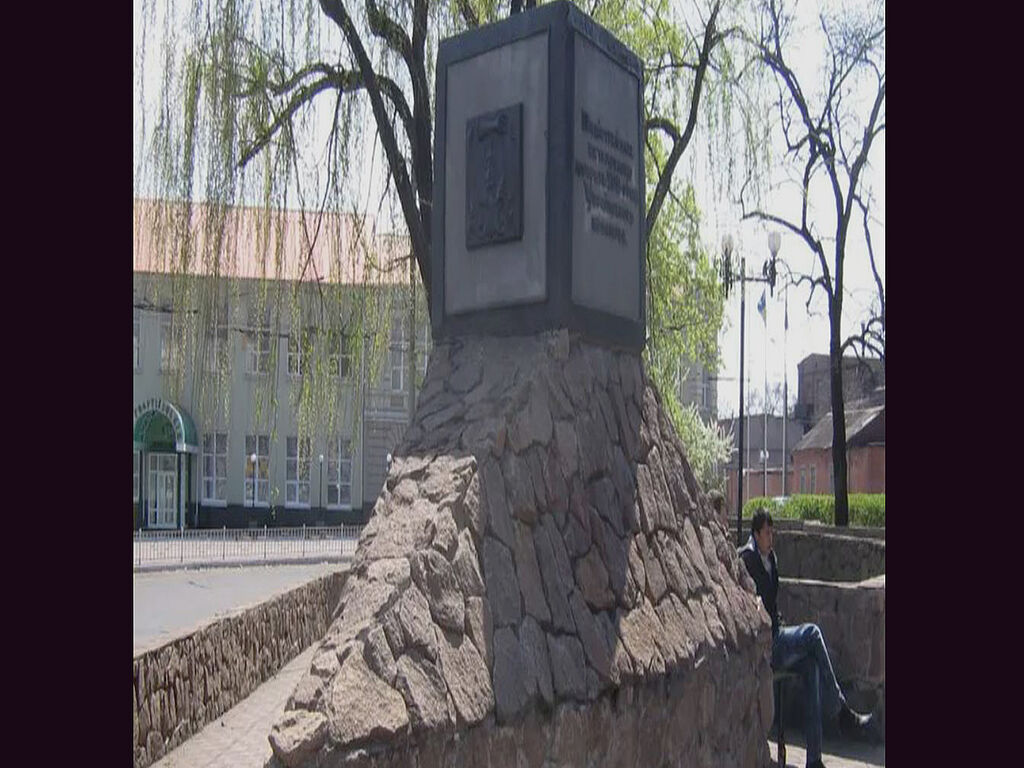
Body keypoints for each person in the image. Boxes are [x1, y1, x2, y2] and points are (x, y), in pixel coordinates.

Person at [739, 508, 875, 768]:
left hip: (778, 635)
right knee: (812, 633)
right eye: (767, 532)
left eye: (772, 531)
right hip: (766, 646)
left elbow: (773, 604)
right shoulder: (747, 560)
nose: (772, 537)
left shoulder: (772, 559)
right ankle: (841, 709)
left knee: (812, 666)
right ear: (756, 534)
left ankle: (814, 760)